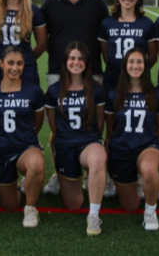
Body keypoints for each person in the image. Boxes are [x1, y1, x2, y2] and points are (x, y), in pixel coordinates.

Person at [40, 0, 109, 196]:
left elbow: (104, 39)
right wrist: (63, 60)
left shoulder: (98, 4)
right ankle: (59, 172)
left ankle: (94, 172)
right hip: (58, 73)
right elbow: (44, 40)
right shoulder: (49, 4)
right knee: (58, 127)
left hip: (93, 73)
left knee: (94, 124)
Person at [45, 42, 107, 236]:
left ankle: (94, 215)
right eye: (72, 58)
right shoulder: (54, 90)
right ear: (66, 61)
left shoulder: (96, 90)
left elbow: (99, 124)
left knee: (98, 159)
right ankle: (77, 177)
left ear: (87, 62)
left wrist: (92, 141)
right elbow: (53, 125)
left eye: (80, 58)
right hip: (65, 146)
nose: (76, 62)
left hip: (88, 142)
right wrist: (65, 138)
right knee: (74, 204)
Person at [0, 46, 45, 228]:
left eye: (19, 63)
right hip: (1, 150)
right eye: (10, 63)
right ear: (1, 63)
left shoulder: (33, 91)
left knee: (36, 163)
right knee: (10, 205)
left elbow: (38, 122)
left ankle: (30, 208)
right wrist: (0, 139)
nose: (15, 68)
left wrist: (27, 138)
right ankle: (15, 183)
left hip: (25, 146)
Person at [105, 47, 159, 231]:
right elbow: (111, 128)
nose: (135, 66)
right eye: (131, 62)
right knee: (130, 206)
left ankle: (151, 211)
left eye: (140, 62)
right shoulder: (114, 95)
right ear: (125, 65)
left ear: (146, 66)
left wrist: (149, 143)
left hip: (147, 146)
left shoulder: (155, 94)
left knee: (149, 170)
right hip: (122, 149)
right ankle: (138, 181)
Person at [98, 0, 157, 94]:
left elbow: (152, 58)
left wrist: (136, 71)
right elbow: (107, 57)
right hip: (113, 78)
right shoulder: (107, 23)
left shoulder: (147, 23)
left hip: (138, 80)